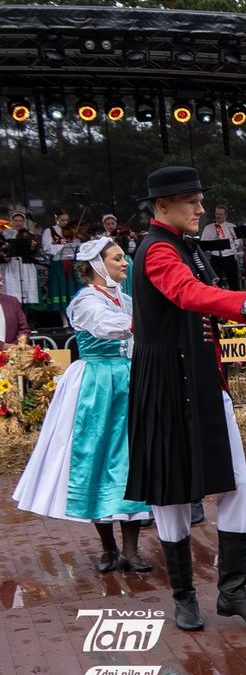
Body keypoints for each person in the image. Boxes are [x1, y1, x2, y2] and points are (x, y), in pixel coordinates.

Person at [125, 165, 246, 632]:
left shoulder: (182, 246)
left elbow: (196, 298)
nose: (200, 209)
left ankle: (233, 592)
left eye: (198, 200)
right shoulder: (156, 249)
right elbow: (187, 293)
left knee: (236, 479)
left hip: (201, 378)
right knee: (171, 491)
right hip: (167, 380)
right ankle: (184, 596)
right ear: (161, 206)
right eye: (191, 201)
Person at [12, 238, 152, 572]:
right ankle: (108, 548)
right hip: (96, 384)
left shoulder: (125, 298)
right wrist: (150, 320)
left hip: (129, 381)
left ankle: (131, 550)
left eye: (124, 258)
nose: (125, 263)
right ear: (98, 265)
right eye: (118, 258)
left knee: (131, 459)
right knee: (95, 456)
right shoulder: (86, 301)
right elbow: (110, 328)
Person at [199, 204, 243, 291]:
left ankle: (237, 300)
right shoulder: (208, 228)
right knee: (216, 282)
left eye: (220, 214)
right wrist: (213, 242)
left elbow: (238, 242)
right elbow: (203, 243)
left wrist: (230, 246)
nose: (218, 216)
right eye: (217, 214)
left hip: (229, 257)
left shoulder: (232, 226)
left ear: (225, 215)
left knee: (233, 281)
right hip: (215, 258)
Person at [2, 211, 41, 305]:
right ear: (11, 221)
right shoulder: (5, 234)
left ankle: (24, 316)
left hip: (25, 265)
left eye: (20, 221)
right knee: (12, 293)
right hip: (10, 266)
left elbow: (34, 252)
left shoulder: (29, 235)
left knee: (25, 294)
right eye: (15, 221)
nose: (18, 223)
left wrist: (33, 247)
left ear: (23, 222)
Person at [0, 274, 31, 345]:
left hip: (13, 353)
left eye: (1, 280)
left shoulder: (12, 301)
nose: (1, 284)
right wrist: (4, 346)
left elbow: (24, 329)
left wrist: (17, 345)